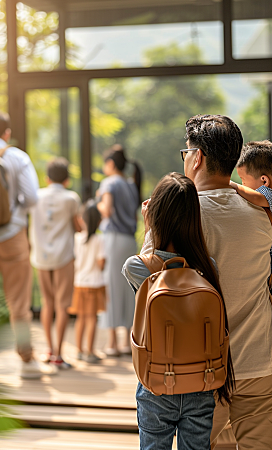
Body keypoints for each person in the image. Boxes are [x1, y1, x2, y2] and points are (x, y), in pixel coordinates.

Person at [142, 115, 272, 449]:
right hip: (261, 362)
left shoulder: (176, 214)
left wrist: (152, 227)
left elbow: (147, 286)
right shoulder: (261, 211)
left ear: (196, 157)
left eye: (185, 153)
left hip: (203, 369)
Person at [123, 172, 234, 450]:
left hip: (156, 384)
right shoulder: (207, 268)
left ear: (155, 216)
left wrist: (149, 231)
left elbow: (148, 272)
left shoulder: (136, 267)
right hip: (202, 383)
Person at [0, 108, 46, 379]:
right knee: (18, 299)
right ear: (7, 133)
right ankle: (26, 361)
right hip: (12, 236)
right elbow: (31, 198)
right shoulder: (17, 156)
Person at [30, 157, 81, 369]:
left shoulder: (36, 196)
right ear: (67, 179)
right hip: (63, 256)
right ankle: (59, 355)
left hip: (41, 256)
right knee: (62, 305)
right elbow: (78, 227)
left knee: (46, 302)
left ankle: (49, 350)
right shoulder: (71, 198)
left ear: (46, 178)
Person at [97, 144, 142, 356]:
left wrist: (97, 202)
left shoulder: (109, 183)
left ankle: (112, 343)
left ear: (111, 164)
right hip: (129, 241)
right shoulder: (131, 184)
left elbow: (106, 210)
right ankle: (127, 340)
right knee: (128, 288)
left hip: (113, 239)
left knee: (112, 288)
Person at [68, 200, 106, 363]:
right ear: (99, 221)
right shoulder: (99, 240)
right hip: (94, 284)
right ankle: (90, 351)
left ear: (81, 219)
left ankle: (79, 350)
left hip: (78, 283)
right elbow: (101, 264)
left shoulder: (76, 239)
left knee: (81, 318)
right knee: (91, 318)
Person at [230, 140, 272, 274]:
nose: (242, 184)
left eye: (243, 181)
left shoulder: (267, 194)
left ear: (264, 181)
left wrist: (233, 186)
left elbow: (256, 197)